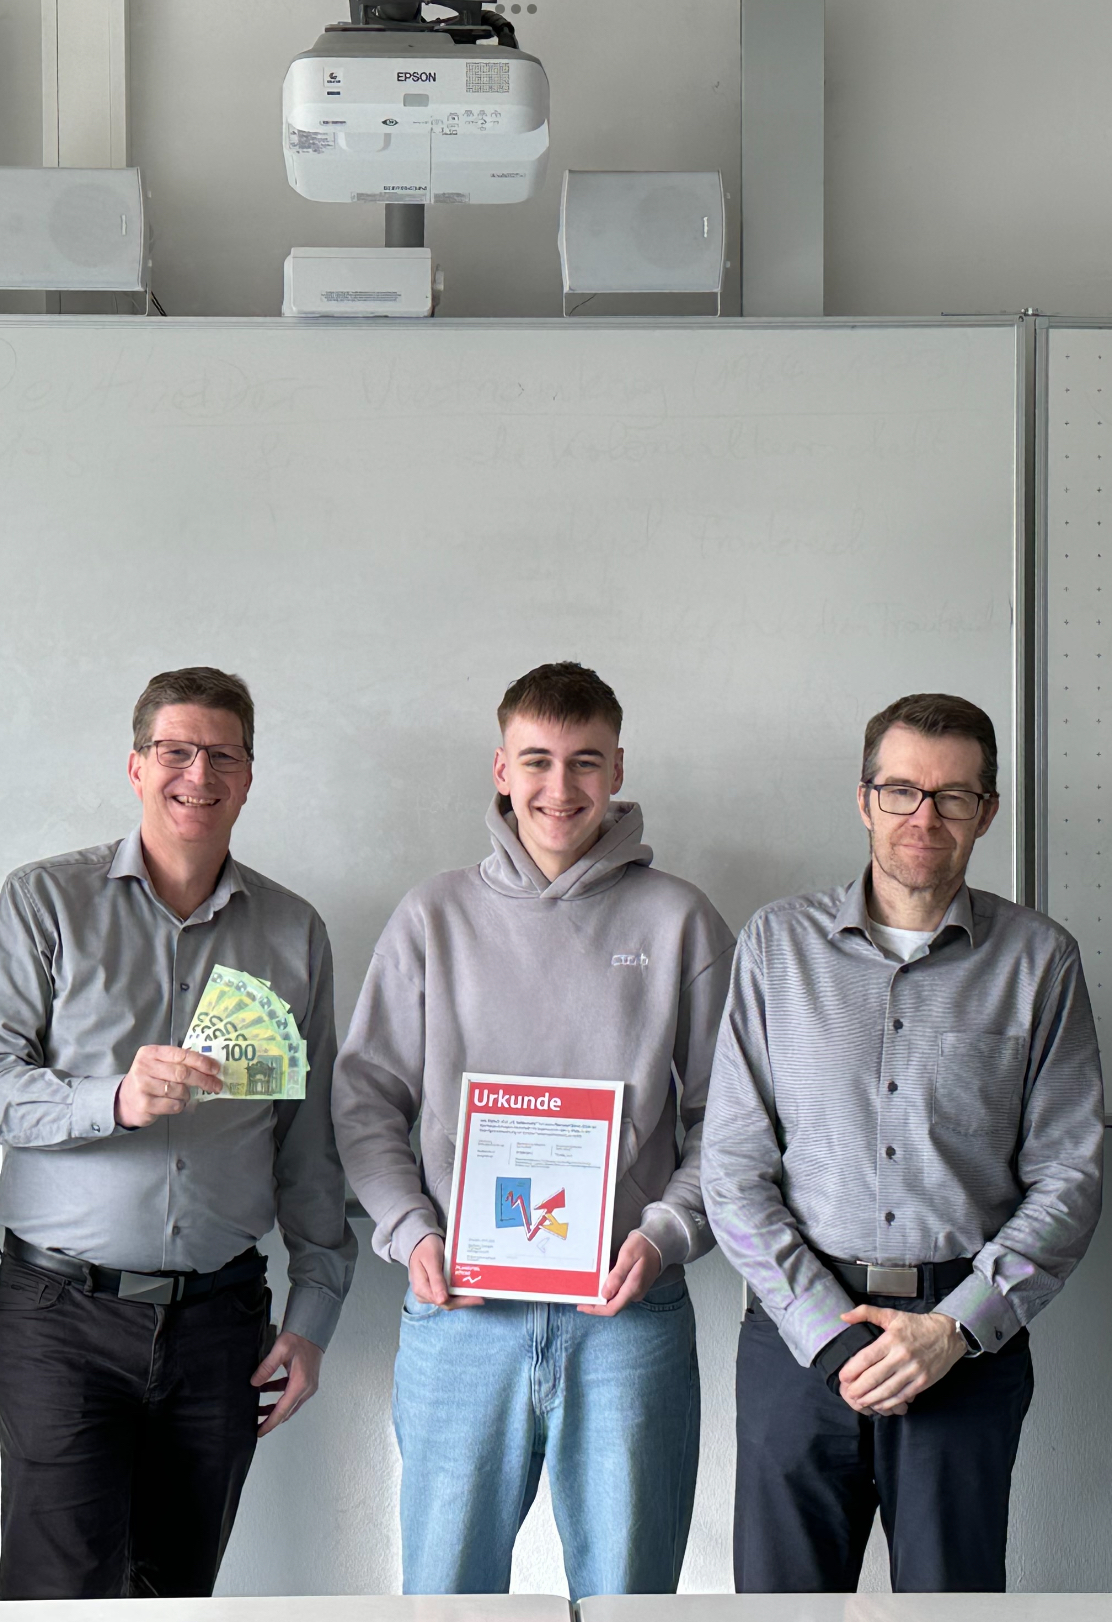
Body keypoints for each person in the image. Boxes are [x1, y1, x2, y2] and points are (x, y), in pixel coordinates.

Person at [332, 661, 735, 1599]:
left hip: (626, 1318)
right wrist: (411, 1231)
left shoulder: (680, 920)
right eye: (537, 760)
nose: (561, 786)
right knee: (446, 1596)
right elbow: (366, 1100)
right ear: (501, 769)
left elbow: (731, 1122)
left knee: (628, 1600)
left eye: (585, 760)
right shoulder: (432, 916)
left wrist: (665, 1232)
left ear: (618, 768)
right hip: (460, 1316)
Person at [0, 666, 356, 1600]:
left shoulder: (294, 931)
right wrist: (114, 1100)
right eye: (175, 751)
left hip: (221, 1324)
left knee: (177, 1599)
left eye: (222, 755)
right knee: (55, 1602)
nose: (198, 773)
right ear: (136, 766)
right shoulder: (45, 902)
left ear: (248, 776)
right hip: (61, 1319)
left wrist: (314, 1314)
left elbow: (308, 1144)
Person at [701, 691, 1104, 1594]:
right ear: (863, 799)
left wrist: (952, 1328)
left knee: (951, 1612)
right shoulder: (775, 947)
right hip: (796, 1339)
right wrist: (824, 1334)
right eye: (900, 791)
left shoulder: (1039, 961)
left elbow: (1069, 1178)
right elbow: (732, 1169)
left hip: (962, 1343)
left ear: (986, 812)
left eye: (952, 796)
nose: (924, 816)